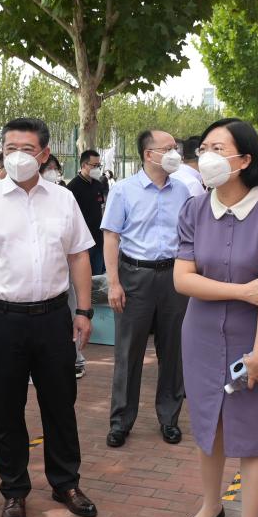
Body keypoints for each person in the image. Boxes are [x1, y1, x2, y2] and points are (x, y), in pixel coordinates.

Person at [0, 118, 97, 517]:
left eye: (27, 149)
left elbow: (79, 256)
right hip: (1, 320)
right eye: (10, 148)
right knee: (6, 409)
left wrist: (84, 310)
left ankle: (66, 483)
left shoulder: (63, 199)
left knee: (60, 404)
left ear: (45, 154)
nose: (17, 156)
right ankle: (14, 490)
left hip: (53, 318)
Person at [173, 117, 258, 517]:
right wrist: (243, 290)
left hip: (254, 339)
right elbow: (183, 280)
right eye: (204, 148)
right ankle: (211, 506)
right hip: (201, 337)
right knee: (209, 427)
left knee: (253, 436)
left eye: (218, 149)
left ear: (245, 160)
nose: (207, 156)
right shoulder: (193, 209)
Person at [101, 130, 191, 448]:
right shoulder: (123, 191)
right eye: (168, 148)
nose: (175, 153)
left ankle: (169, 418)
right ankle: (120, 422)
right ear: (148, 154)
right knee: (128, 351)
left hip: (174, 277)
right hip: (134, 276)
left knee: (173, 350)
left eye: (175, 148)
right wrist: (114, 283)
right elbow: (111, 237)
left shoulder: (183, 191)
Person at [67, 149, 109, 275]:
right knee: (84, 276)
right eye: (94, 165)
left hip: (98, 237)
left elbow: (101, 207)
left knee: (98, 276)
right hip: (82, 241)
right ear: (84, 165)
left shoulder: (98, 184)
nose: (97, 169)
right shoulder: (73, 187)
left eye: (99, 165)